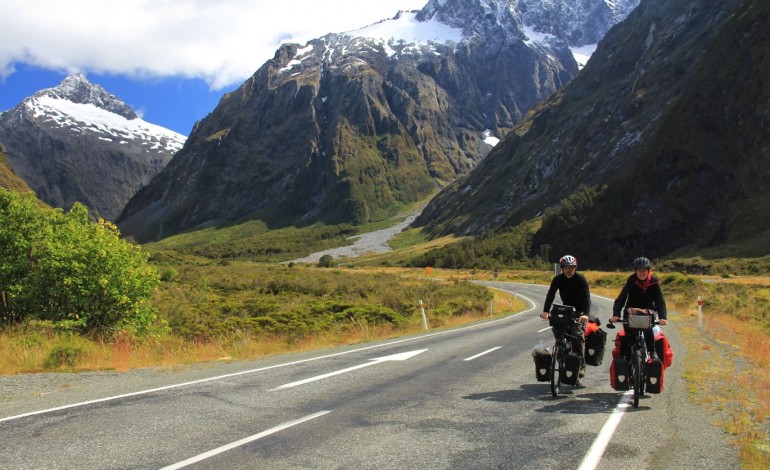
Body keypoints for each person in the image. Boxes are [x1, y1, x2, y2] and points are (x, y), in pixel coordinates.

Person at [540, 255, 596, 377]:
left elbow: (587, 298)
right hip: (566, 309)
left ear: (575, 268)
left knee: (577, 335)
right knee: (558, 330)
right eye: (566, 267)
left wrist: (585, 314)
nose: (569, 269)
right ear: (562, 268)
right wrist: (545, 311)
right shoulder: (558, 279)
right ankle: (561, 354)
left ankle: (581, 365)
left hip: (580, 311)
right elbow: (550, 295)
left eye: (571, 267)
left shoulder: (581, 279)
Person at [611, 257, 668, 358]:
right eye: (639, 270)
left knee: (648, 330)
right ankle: (628, 360)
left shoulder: (654, 282)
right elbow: (621, 298)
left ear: (648, 271)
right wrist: (616, 314)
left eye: (644, 270)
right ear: (635, 271)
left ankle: (652, 352)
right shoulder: (631, 280)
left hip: (647, 313)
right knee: (630, 340)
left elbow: (660, 301)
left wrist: (663, 317)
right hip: (631, 313)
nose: (642, 273)